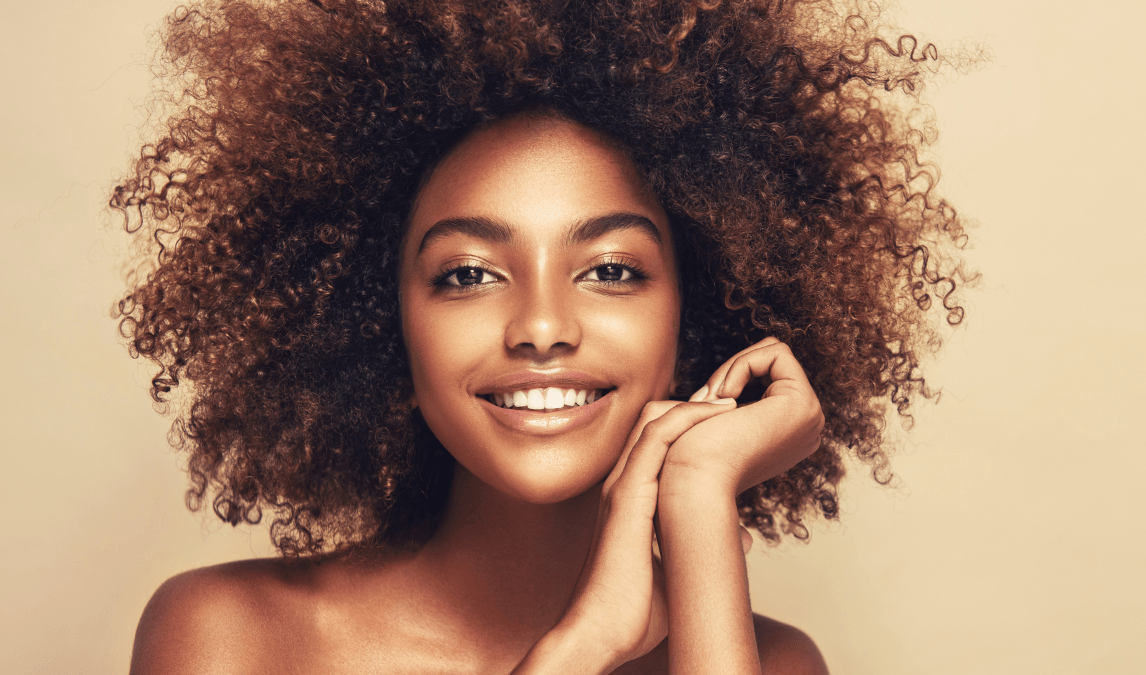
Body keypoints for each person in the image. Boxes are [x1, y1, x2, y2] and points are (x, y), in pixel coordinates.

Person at [114, 0, 968, 671]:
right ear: (384, 331)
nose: (543, 327)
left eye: (610, 269)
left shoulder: (767, 663)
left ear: (698, 311)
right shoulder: (233, 641)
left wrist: (700, 500)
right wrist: (580, 647)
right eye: (468, 274)